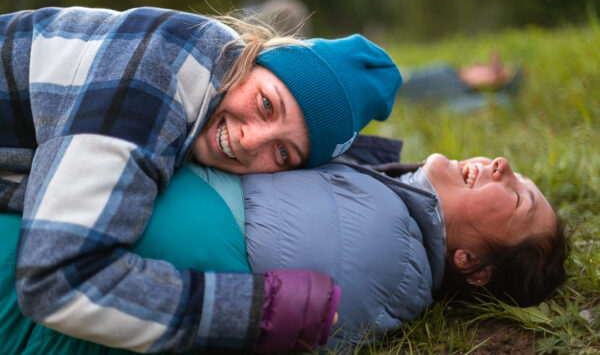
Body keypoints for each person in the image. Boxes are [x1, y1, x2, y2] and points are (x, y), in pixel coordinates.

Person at [0, 6, 401, 353]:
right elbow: (55, 280)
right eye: (266, 104)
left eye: (282, 153)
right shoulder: (155, 73)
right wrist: (261, 313)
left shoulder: (210, 66)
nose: (250, 142)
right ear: (257, 57)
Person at [0, 135, 568, 353]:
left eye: (518, 199)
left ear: (471, 266)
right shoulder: (392, 207)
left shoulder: (389, 259)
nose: (504, 165)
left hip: (68, 249)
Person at [398, 52, 523, 112]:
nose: (480, 64)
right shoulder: (448, 73)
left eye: (491, 72)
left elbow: (503, 101)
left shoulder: (451, 85)